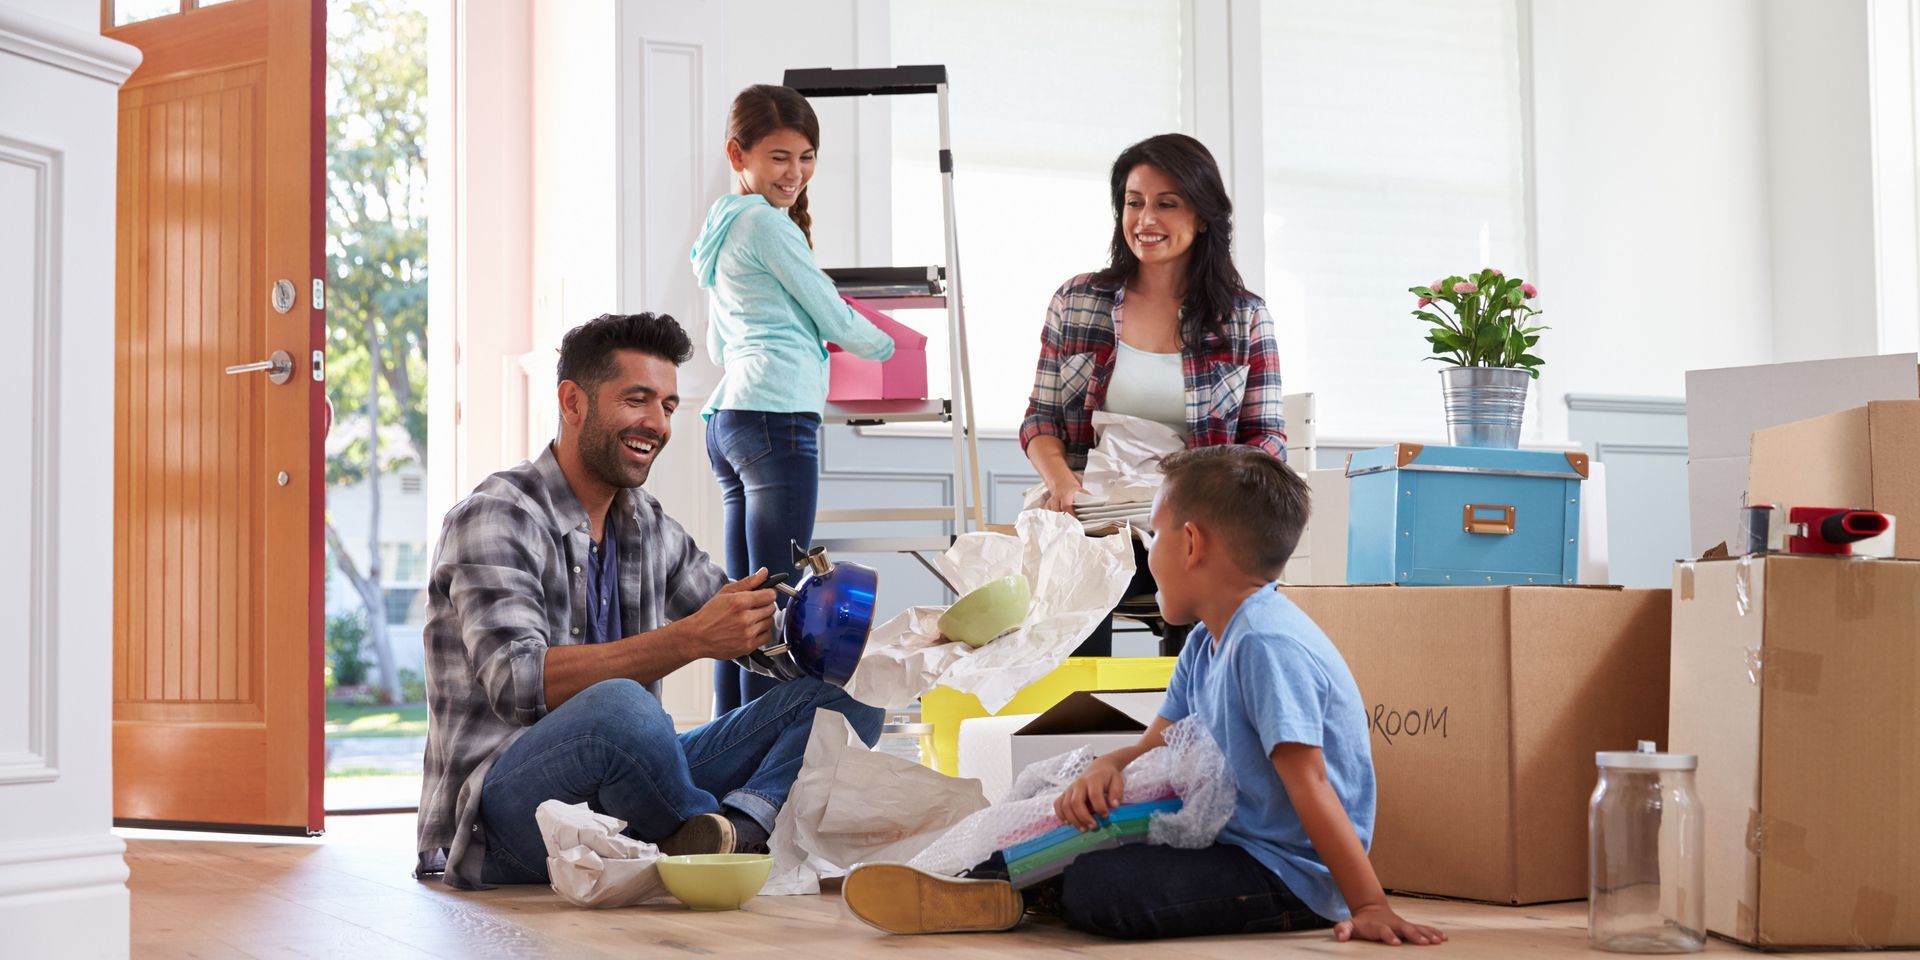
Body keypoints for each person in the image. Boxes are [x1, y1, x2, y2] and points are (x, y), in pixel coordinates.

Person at [842, 446, 1444, 946]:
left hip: (1287, 874)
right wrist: (1108, 766)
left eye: (1151, 534)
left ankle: (1005, 889)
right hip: (1228, 839)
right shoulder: (1209, 643)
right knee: (1072, 817)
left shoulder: (1265, 644)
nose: (1145, 551)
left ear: (1190, 544)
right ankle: (983, 882)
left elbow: (1309, 783)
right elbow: (1153, 744)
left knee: (1103, 889)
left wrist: (1366, 904)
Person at [414, 313, 884, 890]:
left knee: (853, 694)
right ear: (572, 402)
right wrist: (691, 639)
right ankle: (695, 830)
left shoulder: (645, 523)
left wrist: (829, 631)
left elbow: (741, 626)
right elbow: (517, 682)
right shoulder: (497, 515)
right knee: (620, 707)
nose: (656, 423)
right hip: (503, 819)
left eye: (667, 406)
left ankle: (730, 831)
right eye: (637, 400)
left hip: (623, 794)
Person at [1018, 134, 1287, 657]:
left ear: (1204, 216)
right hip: (1091, 515)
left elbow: (1267, 439)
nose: (1146, 219)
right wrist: (1062, 484)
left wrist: (1201, 490)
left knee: (1201, 562)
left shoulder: (1245, 317)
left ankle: (1191, 722)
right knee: (1069, 563)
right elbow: (1040, 419)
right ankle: (1075, 721)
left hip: (1192, 520)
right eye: (1134, 202)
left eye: (1168, 204)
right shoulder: (1078, 301)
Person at [691, 84, 898, 713]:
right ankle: (760, 768)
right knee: (778, 605)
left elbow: (719, 345)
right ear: (739, 154)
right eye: (780, 157)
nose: (795, 172)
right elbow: (833, 314)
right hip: (775, 419)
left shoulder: (723, 226)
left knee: (743, 606)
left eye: (806, 156)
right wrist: (887, 345)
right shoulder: (766, 225)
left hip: (732, 419)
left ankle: (720, 752)